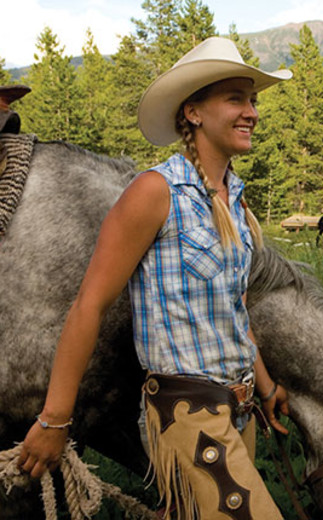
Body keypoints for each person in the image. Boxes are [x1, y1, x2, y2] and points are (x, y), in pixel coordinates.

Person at [17, 37, 292, 519]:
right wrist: (55, 419)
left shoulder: (236, 201)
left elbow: (233, 309)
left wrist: (265, 387)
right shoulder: (155, 191)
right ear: (193, 113)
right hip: (187, 415)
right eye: (235, 98)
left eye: (253, 100)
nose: (251, 112)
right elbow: (90, 305)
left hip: (240, 410)